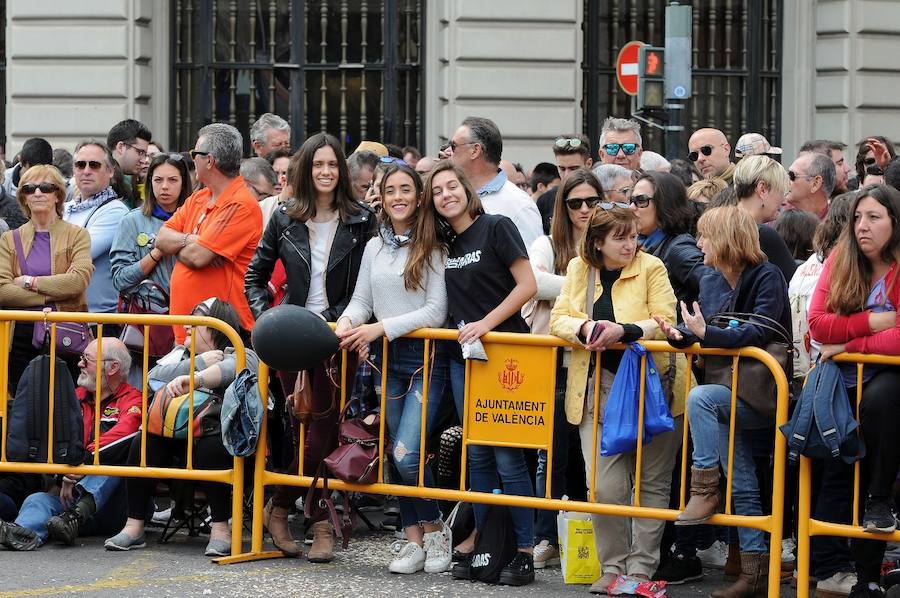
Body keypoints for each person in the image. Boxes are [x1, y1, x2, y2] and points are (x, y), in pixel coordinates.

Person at [244, 132, 374, 562]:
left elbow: (369, 282)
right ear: (305, 169)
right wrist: (269, 320)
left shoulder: (362, 219)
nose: (324, 171)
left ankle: (297, 513)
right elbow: (255, 276)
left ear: (342, 170)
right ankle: (303, 515)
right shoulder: (284, 216)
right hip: (291, 336)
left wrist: (357, 323)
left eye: (332, 164)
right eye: (317, 164)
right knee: (298, 428)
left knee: (324, 431)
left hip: (340, 335)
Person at [655, 205, 792, 598]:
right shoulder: (711, 280)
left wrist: (705, 334)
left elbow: (757, 331)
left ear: (728, 239)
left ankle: (704, 489)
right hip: (724, 392)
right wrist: (680, 334)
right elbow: (707, 328)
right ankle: (754, 573)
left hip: (759, 394)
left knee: (699, 397)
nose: (699, 245)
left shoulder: (767, 275)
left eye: (705, 236)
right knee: (744, 482)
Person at [550, 205, 681, 595]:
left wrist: (623, 330)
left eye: (633, 235)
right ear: (598, 242)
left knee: (652, 483)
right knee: (603, 486)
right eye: (620, 237)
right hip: (596, 388)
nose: (630, 244)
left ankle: (640, 569)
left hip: (652, 387)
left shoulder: (652, 267)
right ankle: (612, 566)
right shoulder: (579, 269)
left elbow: (666, 320)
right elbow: (558, 318)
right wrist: (588, 326)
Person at [422, 160, 537, 586]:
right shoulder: (444, 244)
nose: (446, 194)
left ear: (468, 190)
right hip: (464, 358)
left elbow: (526, 285)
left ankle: (523, 550)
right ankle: (488, 543)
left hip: (509, 353)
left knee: (508, 457)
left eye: (453, 186)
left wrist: (487, 323)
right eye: (437, 191)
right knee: (478, 456)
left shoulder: (497, 226)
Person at [336, 162, 451, 575]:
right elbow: (361, 299)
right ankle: (413, 539)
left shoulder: (436, 245)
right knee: (399, 454)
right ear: (380, 198)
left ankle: (437, 530)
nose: (398, 196)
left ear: (419, 197)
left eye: (406, 189)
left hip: (425, 361)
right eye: (391, 190)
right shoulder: (374, 247)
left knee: (407, 454)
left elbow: (435, 312)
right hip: (385, 359)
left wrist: (377, 328)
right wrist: (349, 322)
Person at [105, 299, 258, 556]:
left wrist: (198, 378)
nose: (188, 324)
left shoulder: (242, 352)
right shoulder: (180, 354)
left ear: (218, 326)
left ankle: (220, 529)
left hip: (225, 441)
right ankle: (134, 526)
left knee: (212, 446)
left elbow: (235, 369)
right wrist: (197, 364)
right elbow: (153, 377)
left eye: (197, 318)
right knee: (143, 444)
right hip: (177, 437)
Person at [807, 184, 900, 598]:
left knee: (880, 416)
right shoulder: (842, 260)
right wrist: (875, 323)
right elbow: (818, 325)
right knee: (837, 475)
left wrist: (848, 345)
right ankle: (845, 575)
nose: (863, 226)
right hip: (840, 389)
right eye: (858, 217)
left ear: (895, 223)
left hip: (887, 389)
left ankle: (869, 572)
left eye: (874, 217)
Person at [629, 170, 717, 584]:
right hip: (651, 369)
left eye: (642, 200)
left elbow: (713, 287)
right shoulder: (644, 244)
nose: (634, 207)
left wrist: (697, 330)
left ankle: (680, 554)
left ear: (664, 204)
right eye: (631, 199)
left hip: (677, 370)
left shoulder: (679, 247)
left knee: (668, 472)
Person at [0, 339, 140, 551]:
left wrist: (78, 464)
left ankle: (74, 516)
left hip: (116, 506)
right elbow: (53, 445)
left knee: (112, 465)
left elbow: (123, 435)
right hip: (69, 499)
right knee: (37, 499)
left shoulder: (133, 400)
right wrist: (63, 472)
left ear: (113, 367)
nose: (80, 364)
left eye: (87, 359)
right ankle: (21, 533)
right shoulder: (73, 397)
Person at [784, 192, 857, 598]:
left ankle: (813, 564)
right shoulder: (837, 270)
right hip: (832, 384)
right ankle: (829, 567)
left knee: (819, 476)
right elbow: (821, 329)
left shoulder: (809, 269)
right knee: (837, 475)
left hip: (810, 382)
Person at [526, 168, 599, 570]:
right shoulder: (546, 242)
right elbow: (532, 282)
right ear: (563, 206)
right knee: (548, 454)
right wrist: (580, 289)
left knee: (591, 455)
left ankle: (594, 540)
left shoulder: (610, 241)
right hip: (553, 360)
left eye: (592, 201)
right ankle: (545, 537)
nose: (585, 209)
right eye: (575, 203)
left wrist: (564, 292)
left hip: (596, 362)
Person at [155, 123, 263, 343]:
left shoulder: (240, 204)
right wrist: (191, 241)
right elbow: (161, 239)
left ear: (210, 160)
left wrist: (181, 247)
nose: (192, 159)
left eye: (195, 153)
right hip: (190, 334)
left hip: (221, 337)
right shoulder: (199, 197)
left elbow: (197, 257)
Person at [0, 164, 93, 387]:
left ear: (57, 195)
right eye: (30, 188)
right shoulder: (10, 239)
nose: (38, 193)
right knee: (23, 404)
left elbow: (78, 281)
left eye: (45, 187)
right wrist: (52, 294)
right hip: (21, 333)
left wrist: (29, 282)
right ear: (23, 197)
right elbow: (3, 291)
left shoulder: (77, 235)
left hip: (65, 330)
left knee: (62, 405)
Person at [110, 152, 192, 367]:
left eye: (172, 180)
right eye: (158, 180)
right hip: (146, 326)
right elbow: (120, 279)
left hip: (190, 324)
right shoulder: (132, 221)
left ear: (184, 184)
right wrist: (156, 253)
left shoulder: (195, 220)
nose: (165, 186)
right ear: (149, 183)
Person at [448, 116, 542, 248]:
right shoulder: (453, 197)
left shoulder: (518, 205)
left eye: (453, 146)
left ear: (475, 150)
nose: (448, 153)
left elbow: (533, 264)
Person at [64, 140, 130, 316]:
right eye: (80, 165)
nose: (86, 171)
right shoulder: (65, 208)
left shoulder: (115, 211)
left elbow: (75, 255)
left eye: (94, 165)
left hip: (98, 320)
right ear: (73, 170)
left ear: (110, 171)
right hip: (65, 316)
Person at [714, 154, 798, 282]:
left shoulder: (717, 226)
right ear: (762, 189)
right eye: (782, 191)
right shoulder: (761, 235)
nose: (783, 199)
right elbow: (795, 286)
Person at [535, 134, 593, 234]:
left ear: (588, 164)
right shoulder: (545, 200)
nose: (566, 175)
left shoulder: (601, 196)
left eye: (574, 168)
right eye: (562, 169)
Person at [1, 137, 53, 229]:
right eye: (31, 170)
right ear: (20, 161)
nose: (34, 177)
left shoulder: (60, 186)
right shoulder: (4, 180)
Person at [106, 119, 153, 208]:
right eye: (140, 152)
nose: (144, 160)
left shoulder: (131, 181)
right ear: (121, 147)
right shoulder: (100, 181)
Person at [785, 152, 836, 219]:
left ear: (815, 183)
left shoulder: (838, 224)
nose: (785, 180)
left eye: (791, 175)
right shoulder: (773, 215)